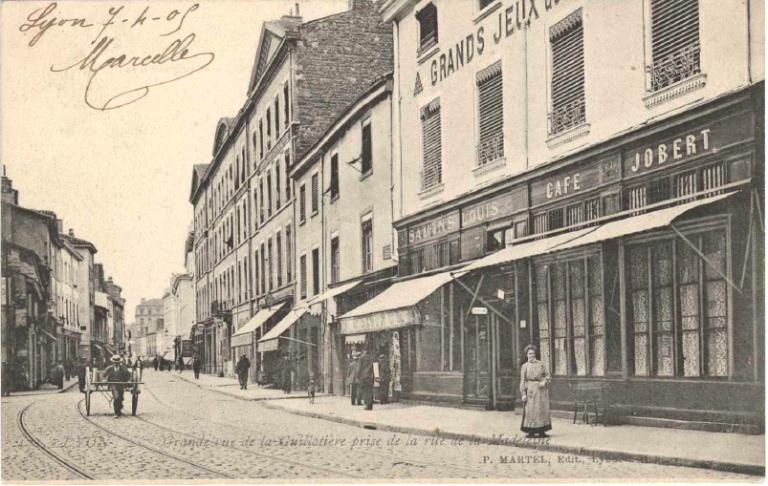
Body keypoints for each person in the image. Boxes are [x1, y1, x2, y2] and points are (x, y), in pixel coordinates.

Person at [520, 344, 552, 438]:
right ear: (527, 355)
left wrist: (544, 382)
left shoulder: (541, 364)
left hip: (541, 390)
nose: (532, 355)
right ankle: (531, 431)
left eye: (533, 353)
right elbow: (522, 380)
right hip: (530, 390)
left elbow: (548, 376)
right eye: (530, 353)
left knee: (541, 410)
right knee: (531, 410)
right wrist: (523, 393)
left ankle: (542, 431)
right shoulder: (524, 366)